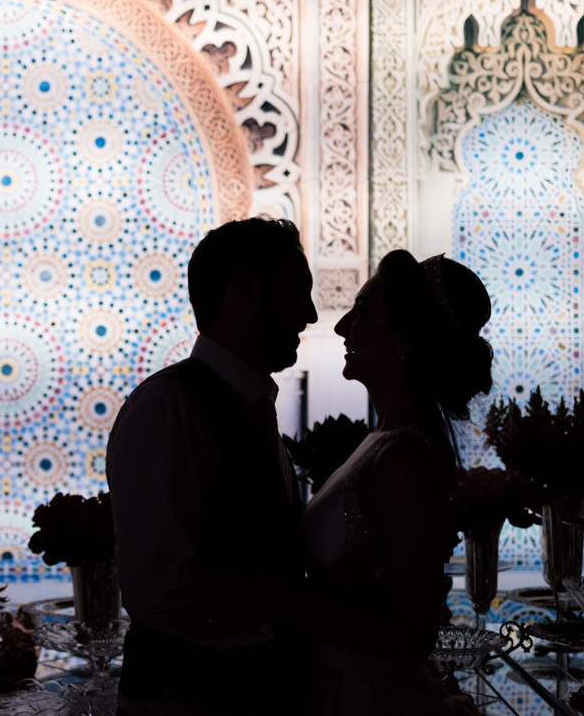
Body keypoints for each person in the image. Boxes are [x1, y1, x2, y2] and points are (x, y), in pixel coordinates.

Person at [172, 249, 491, 714]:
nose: (342, 327)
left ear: (405, 337)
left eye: (362, 311)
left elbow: (411, 635)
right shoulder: (386, 439)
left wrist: (276, 596)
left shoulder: (405, 457)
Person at [106, 217, 318, 715]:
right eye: (297, 291)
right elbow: (157, 591)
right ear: (246, 288)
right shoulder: (170, 409)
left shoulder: (252, 404)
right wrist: (294, 616)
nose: (309, 314)